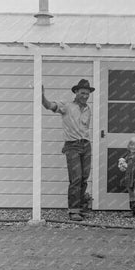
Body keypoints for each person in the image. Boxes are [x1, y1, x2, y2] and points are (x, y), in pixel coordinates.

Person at [41, 79, 94, 221]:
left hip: (86, 145)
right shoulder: (67, 106)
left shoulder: (88, 109)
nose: (85, 96)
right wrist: (41, 96)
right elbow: (49, 106)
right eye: (82, 93)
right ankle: (73, 210)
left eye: (87, 94)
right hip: (72, 146)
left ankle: (81, 207)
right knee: (76, 178)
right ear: (76, 92)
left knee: (84, 178)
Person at [120, 137, 135, 218]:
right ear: (129, 145)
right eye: (131, 145)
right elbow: (126, 167)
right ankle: (132, 211)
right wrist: (122, 167)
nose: (133, 147)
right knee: (131, 195)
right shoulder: (128, 156)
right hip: (128, 177)